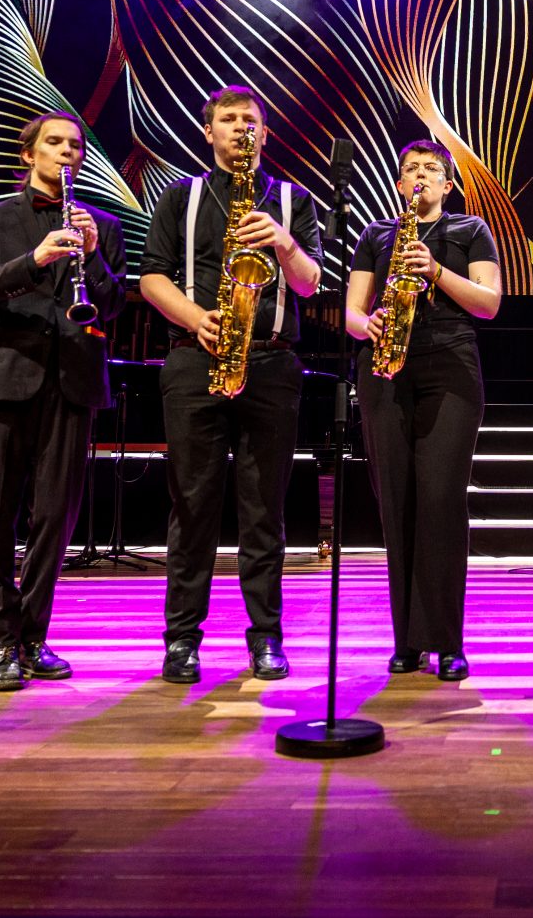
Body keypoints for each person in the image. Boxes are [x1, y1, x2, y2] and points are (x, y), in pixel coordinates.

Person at [139, 86, 323, 685]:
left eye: (251, 120)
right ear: (209, 131)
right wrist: (197, 319)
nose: (241, 127)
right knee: (192, 506)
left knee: (264, 510)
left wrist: (284, 242)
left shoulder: (293, 200)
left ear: (264, 134)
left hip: (271, 363)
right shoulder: (180, 196)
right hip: (197, 360)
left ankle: (266, 637)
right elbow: (151, 278)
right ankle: (181, 640)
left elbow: (309, 285)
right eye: (229, 118)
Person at [0, 113, 126, 691]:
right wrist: (35, 259)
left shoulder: (102, 224)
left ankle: (33, 636)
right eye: (54, 143)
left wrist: (94, 254)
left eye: (75, 145)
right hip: (7, 377)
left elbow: (111, 305)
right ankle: (2, 642)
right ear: (29, 154)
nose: (66, 152)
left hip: (73, 380)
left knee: (55, 518)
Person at [345, 139, 502, 681]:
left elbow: (488, 302)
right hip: (385, 368)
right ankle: (407, 642)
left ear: (447, 185)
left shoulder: (470, 229)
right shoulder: (376, 235)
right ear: (398, 184)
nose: (420, 176)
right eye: (410, 169)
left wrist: (435, 270)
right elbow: (352, 312)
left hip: (450, 367)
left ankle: (447, 640)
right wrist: (368, 325)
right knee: (397, 503)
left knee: (441, 502)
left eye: (431, 169)